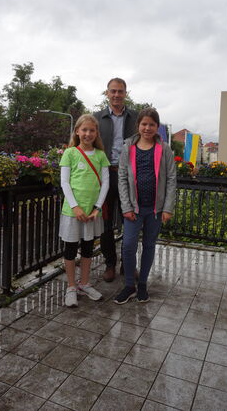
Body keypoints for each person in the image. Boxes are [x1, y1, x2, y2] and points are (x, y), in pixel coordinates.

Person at [114, 108, 177, 304]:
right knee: (129, 245)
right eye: (144, 124)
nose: (147, 128)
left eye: (151, 124)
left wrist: (167, 208)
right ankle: (129, 285)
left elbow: (171, 179)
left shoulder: (164, 149)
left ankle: (142, 284)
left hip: (155, 210)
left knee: (149, 245)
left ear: (157, 127)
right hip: (134, 208)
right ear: (138, 126)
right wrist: (126, 207)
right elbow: (122, 178)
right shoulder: (128, 148)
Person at [59, 114, 110, 307]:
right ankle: (71, 286)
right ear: (77, 131)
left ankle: (85, 283)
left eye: (92, 130)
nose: (88, 133)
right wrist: (75, 206)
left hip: (92, 212)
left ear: (96, 133)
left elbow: (105, 183)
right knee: (71, 248)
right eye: (84, 130)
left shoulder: (100, 155)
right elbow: (64, 182)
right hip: (73, 212)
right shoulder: (70, 153)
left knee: (88, 248)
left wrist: (97, 208)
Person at [94, 78, 138, 282]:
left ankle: (127, 264)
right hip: (105, 175)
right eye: (113, 91)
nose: (116, 95)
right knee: (105, 223)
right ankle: (110, 264)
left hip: (128, 176)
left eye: (120, 91)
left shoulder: (136, 118)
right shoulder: (96, 118)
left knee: (130, 220)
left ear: (125, 93)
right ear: (107, 93)